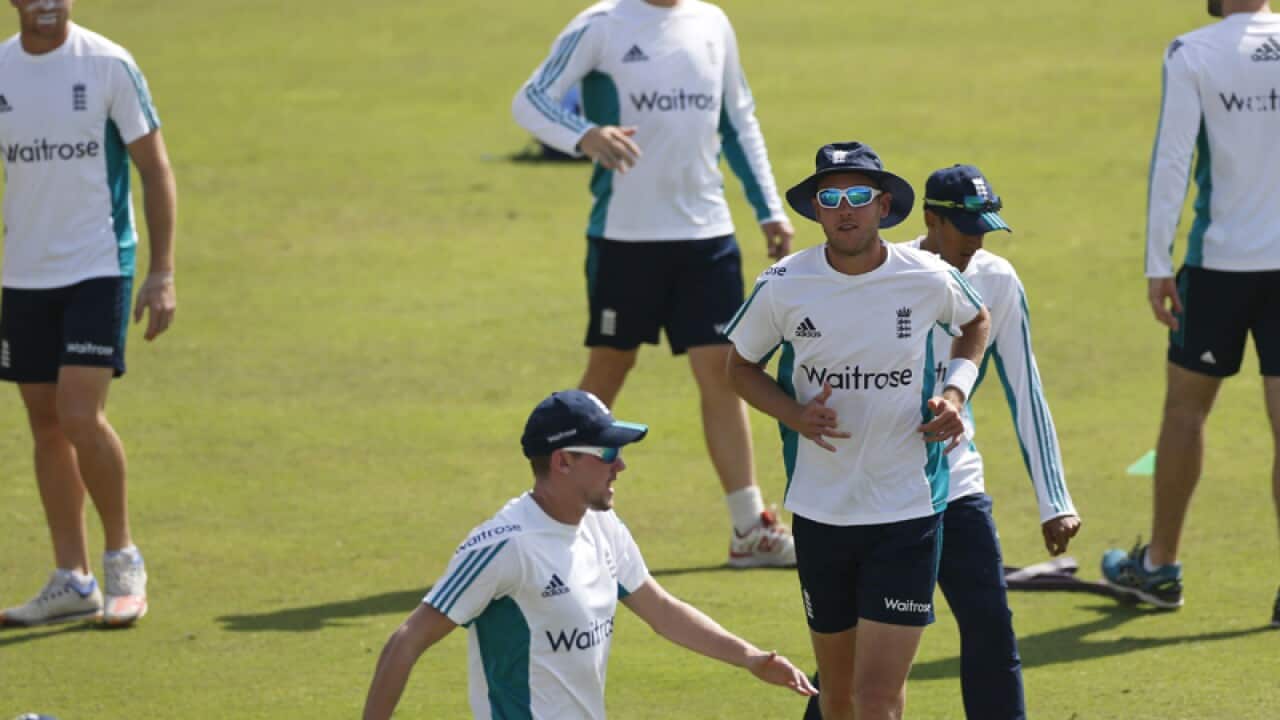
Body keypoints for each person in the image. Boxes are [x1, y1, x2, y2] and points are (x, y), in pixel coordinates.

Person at [511, 0, 797, 568]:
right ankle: (543, 516)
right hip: (624, 237)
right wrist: (585, 133)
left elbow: (737, 119)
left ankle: (749, 527)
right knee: (609, 371)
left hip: (707, 235)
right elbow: (532, 99)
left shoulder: (712, 24)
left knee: (722, 371)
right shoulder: (601, 25)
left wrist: (768, 208)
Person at [726, 142, 991, 720]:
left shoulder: (925, 276)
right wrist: (792, 413)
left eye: (857, 197)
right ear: (816, 210)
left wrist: (954, 391)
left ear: (884, 204)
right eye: (830, 197)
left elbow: (975, 323)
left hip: (908, 511)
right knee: (838, 697)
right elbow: (739, 368)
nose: (844, 209)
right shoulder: (782, 284)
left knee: (877, 699)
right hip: (822, 512)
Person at [362, 390, 818, 719]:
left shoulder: (599, 524)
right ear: (562, 461)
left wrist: (749, 658)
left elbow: (662, 611)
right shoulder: (504, 545)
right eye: (608, 451)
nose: (621, 464)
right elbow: (408, 639)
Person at [1101, 0, 1280, 625]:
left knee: (1185, 412)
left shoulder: (1192, 52)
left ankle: (1160, 567)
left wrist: (1157, 262)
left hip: (1220, 267)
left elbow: (1173, 159)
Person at [0, 0, 177, 627]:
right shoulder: (1, 70)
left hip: (99, 265)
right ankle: (70, 579)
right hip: (23, 274)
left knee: (80, 414)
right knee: (45, 423)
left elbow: (153, 169)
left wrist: (161, 273)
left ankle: (122, 559)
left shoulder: (106, 63)